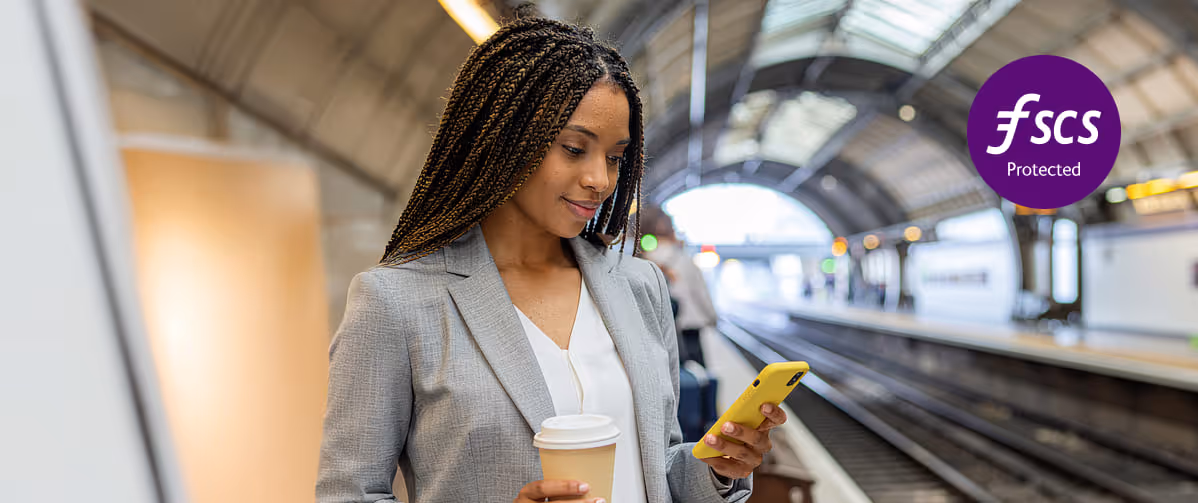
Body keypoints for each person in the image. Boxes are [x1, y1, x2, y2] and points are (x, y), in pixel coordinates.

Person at [316, 9, 786, 503]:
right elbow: (349, 494)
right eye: (574, 148)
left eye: (614, 156)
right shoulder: (396, 301)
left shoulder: (639, 285)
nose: (600, 181)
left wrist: (714, 467)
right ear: (505, 138)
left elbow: (657, 467)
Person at [641, 207, 718, 367]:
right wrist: (711, 316)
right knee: (696, 371)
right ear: (671, 230)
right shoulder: (683, 258)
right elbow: (699, 291)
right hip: (688, 324)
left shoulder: (640, 257)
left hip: (655, 326)